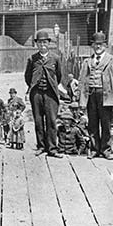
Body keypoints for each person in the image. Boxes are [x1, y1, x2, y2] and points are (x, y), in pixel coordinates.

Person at [78, 32, 113, 160]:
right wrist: (80, 99)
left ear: (105, 45)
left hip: (106, 96)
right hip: (91, 95)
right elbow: (82, 81)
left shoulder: (112, 60)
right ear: (92, 46)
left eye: (100, 44)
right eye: (95, 44)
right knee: (92, 124)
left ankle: (105, 150)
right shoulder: (87, 61)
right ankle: (94, 149)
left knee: (106, 124)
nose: (98, 46)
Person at [25, 29, 68, 158]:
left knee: (51, 121)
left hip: (51, 94)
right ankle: (41, 146)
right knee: (38, 121)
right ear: (36, 44)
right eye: (39, 42)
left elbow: (59, 76)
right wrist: (34, 87)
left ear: (48, 43)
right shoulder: (32, 59)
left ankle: (52, 148)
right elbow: (27, 76)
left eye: (44, 42)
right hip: (37, 94)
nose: (42, 45)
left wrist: (53, 86)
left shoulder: (55, 58)